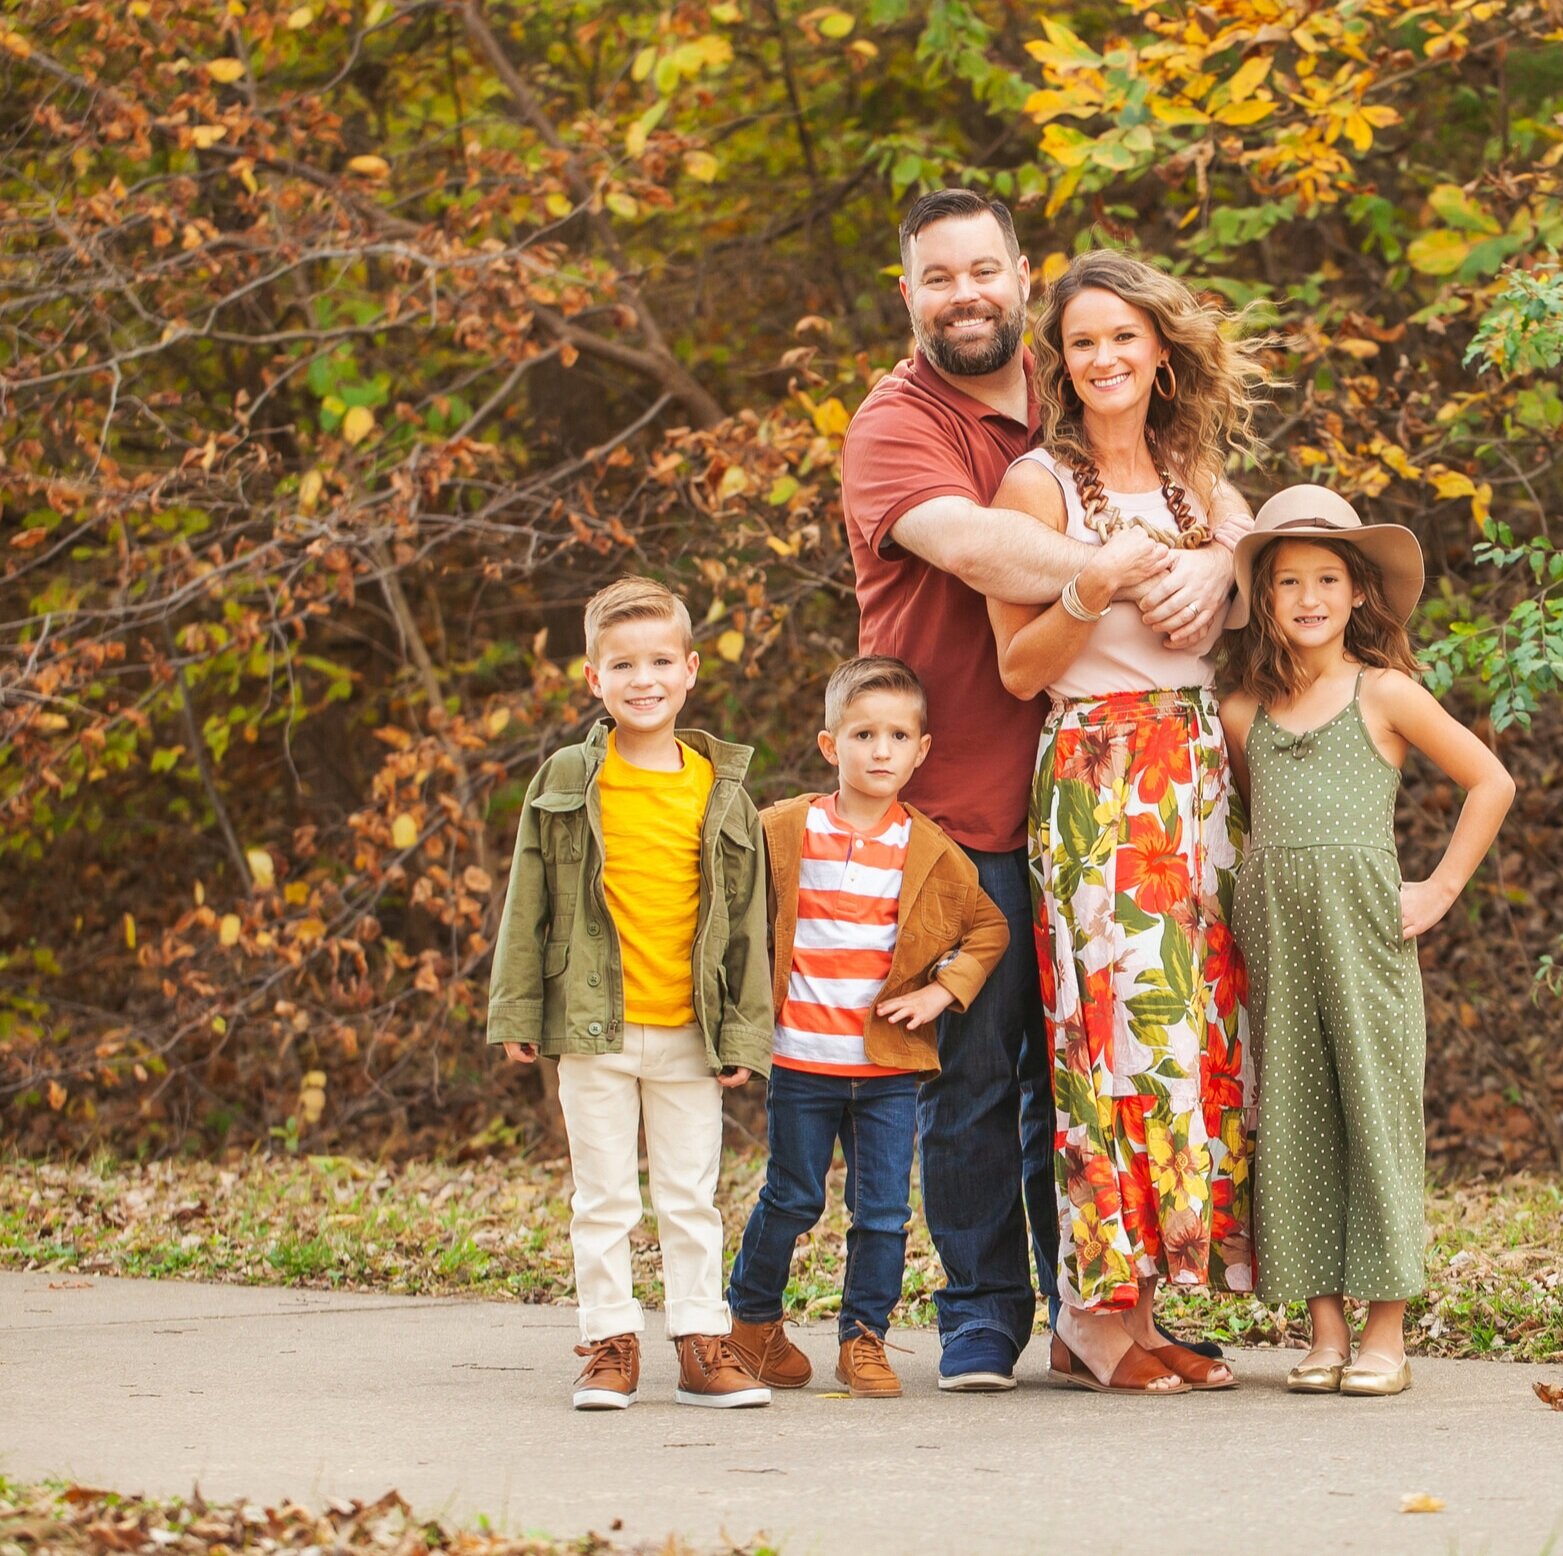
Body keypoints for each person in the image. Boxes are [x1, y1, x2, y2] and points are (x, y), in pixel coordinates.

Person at [838, 189, 1241, 1389]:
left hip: (1128, 797)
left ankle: (1104, 1304)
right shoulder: (895, 423)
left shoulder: (1076, 398)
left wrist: (1223, 560)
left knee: (1100, 1060)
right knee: (978, 1071)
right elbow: (979, 550)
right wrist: (1141, 570)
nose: (965, 293)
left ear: (1023, 277)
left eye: (985, 270)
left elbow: (1226, 522)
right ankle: (981, 1312)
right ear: (907, 295)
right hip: (964, 790)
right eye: (938, 276)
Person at [986, 248, 1272, 1395]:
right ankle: (1094, 1315)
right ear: (1061, 364)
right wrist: (1089, 587)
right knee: (1107, 1039)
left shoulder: (1202, 477)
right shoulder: (1036, 486)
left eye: (1122, 337)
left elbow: (1259, 603)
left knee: (1190, 1037)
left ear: (1161, 351)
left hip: (1198, 774)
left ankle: (1144, 1307)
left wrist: (1227, 573)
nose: (1103, 357)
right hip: (1100, 772)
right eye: (1082, 341)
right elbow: (1016, 668)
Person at [1217, 488, 1516, 1398]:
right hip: (1275, 942)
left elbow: (1490, 781)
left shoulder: (1384, 692)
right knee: (1296, 1124)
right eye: (1288, 582)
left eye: (1328, 580)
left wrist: (1440, 887)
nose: (1308, 597)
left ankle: (1387, 1330)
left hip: (1365, 939)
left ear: (1357, 595)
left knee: (1374, 1119)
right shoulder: (1243, 713)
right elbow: (1243, 824)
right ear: (1264, 599)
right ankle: (1325, 1329)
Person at [485, 575, 776, 1411]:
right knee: (604, 1194)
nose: (641, 679)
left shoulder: (720, 792)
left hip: (690, 1029)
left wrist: (744, 1037)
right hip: (592, 1030)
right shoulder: (569, 778)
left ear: (690, 670)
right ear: (594, 679)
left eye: (658, 661)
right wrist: (516, 1011)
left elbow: (748, 926)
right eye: (622, 665)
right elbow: (526, 901)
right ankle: (611, 1341)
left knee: (690, 1196)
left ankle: (698, 1345)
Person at [724, 657, 1012, 1399]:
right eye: (863, 734)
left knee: (881, 1213)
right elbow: (720, 886)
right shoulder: (786, 829)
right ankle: (751, 1323)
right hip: (802, 1061)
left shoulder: (932, 852)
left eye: (897, 736)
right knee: (791, 1198)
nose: (880, 751)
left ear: (921, 751)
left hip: (887, 1069)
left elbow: (988, 928)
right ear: (831, 746)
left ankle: (864, 1340)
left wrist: (942, 994)